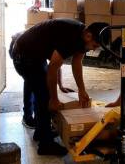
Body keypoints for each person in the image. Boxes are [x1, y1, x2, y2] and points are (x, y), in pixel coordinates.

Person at [10, 18, 109, 156]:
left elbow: (76, 62)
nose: (94, 49)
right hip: (23, 56)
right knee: (45, 97)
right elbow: (52, 68)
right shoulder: (70, 37)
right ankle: (45, 145)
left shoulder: (83, 36)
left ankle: (41, 132)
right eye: (95, 45)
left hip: (35, 55)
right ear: (88, 36)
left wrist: (81, 89)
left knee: (42, 90)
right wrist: (54, 99)